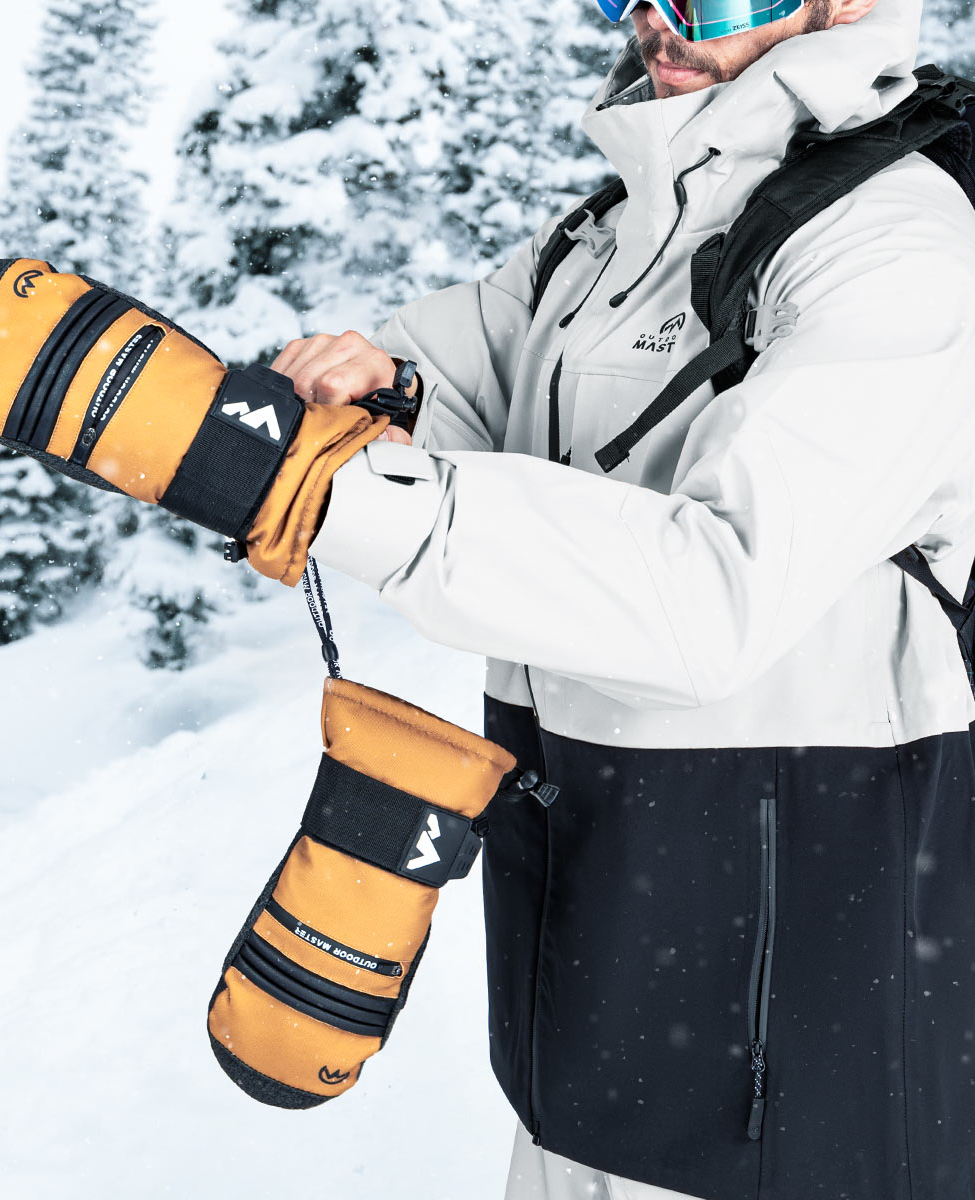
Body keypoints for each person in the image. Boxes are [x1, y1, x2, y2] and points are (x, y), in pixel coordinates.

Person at [270, 0, 975, 1196]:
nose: (656, 16)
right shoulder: (612, 231)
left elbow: (715, 596)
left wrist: (373, 503)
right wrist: (371, 398)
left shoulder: (898, 244)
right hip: (594, 1015)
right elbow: (459, 381)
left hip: (793, 1066)